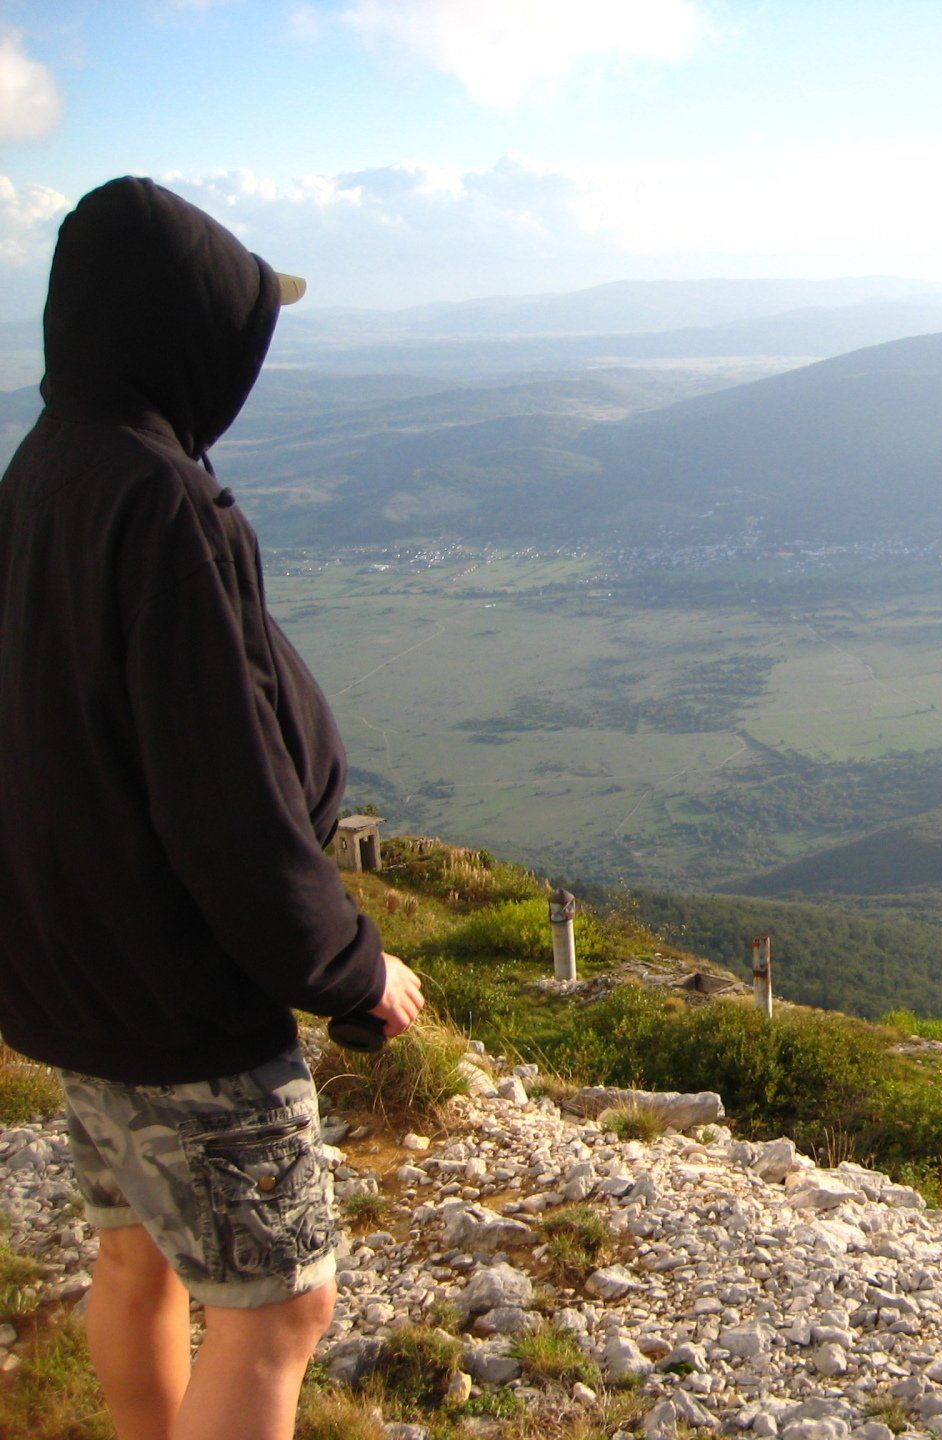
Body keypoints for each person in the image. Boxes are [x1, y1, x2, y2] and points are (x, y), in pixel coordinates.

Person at [0, 176, 424, 1440]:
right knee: (278, 1310)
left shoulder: (40, 472)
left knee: (135, 1255)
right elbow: (222, 789)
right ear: (184, 332)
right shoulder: (163, 501)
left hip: (70, 974)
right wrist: (350, 970)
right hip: (179, 997)